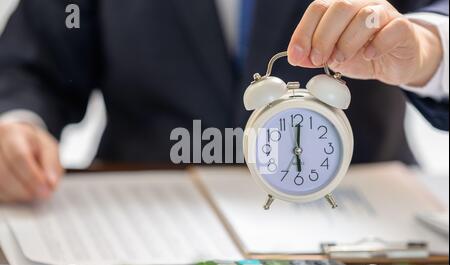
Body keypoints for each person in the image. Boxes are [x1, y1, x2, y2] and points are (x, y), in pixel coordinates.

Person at [0, 0, 448, 203]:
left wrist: (429, 48)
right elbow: (31, 60)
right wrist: (18, 123)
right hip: (151, 212)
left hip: (361, 215)